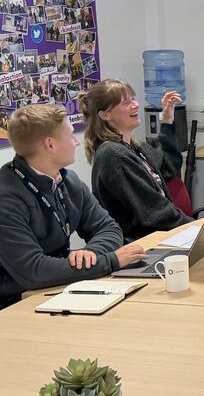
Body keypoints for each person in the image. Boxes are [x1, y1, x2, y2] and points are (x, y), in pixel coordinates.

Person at [0, 105, 148, 310]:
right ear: (50, 144)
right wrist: (110, 261)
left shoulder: (67, 180)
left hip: (57, 287)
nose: (77, 141)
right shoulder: (6, 198)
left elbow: (108, 228)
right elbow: (33, 271)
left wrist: (90, 254)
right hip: (14, 304)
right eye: (71, 135)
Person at [79, 79, 192, 242]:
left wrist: (167, 120)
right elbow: (155, 214)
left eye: (133, 98)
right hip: (142, 247)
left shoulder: (135, 146)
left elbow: (169, 166)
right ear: (105, 115)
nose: (136, 105)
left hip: (159, 238)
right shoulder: (113, 154)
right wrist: (196, 227)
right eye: (126, 102)